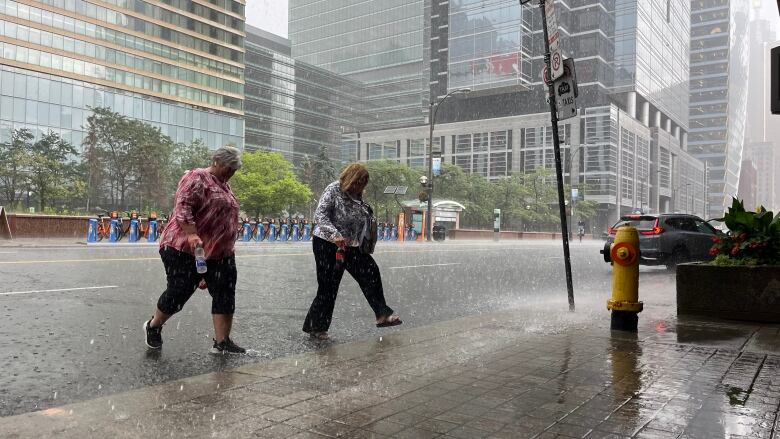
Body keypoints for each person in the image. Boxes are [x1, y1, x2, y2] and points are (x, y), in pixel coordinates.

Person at [143, 146, 246, 354]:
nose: (231, 172)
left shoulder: (225, 186)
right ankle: (153, 326)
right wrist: (191, 234)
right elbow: (183, 206)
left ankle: (222, 342)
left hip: (219, 252)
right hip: (184, 248)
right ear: (216, 161)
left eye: (234, 169)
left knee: (225, 294)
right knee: (179, 292)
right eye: (229, 167)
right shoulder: (196, 177)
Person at [303, 163, 402, 340]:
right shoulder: (334, 189)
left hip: (351, 245)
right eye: (358, 183)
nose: (360, 187)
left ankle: (382, 314)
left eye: (363, 184)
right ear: (351, 178)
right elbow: (320, 215)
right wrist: (335, 235)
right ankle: (316, 327)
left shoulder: (358, 196)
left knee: (370, 272)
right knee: (328, 286)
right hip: (327, 243)